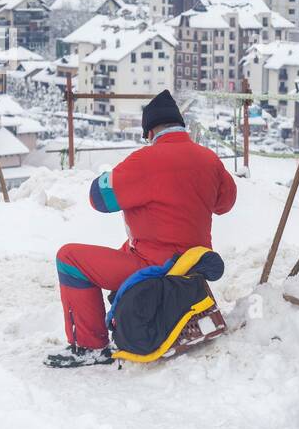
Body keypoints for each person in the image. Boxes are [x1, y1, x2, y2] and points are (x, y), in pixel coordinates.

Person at [45, 90, 237, 368]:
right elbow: (225, 204)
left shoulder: (144, 161)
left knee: (69, 258)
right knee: (126, 247)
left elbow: (98, 199)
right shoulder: (209, 159)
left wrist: (112, 177)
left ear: (150, 131)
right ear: (179, 124)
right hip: (193, 264)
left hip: (154, 268)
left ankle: (90, 346)